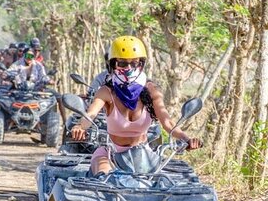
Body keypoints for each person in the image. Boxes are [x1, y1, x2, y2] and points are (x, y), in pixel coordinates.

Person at [71, 35, 201, 175]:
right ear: (112, 64)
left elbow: (168, 123)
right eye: (122, 63)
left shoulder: (152, 91)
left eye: (134, 63)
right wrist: (80, 126)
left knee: (166, 184)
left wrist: (187, 139)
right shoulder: (106, 91)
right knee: (104, 176)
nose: (129, 68)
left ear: (142, 64)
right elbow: (90, 114)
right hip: (111, 154)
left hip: (144, 155)